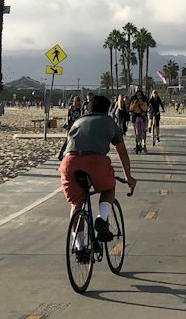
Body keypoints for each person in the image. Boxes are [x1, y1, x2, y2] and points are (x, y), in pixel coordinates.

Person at [59, 94, 137, 245]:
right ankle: (101, 219)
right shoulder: (109, 122)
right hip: (95, 161)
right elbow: (122, 153)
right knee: (108, 189)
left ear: (88, 108)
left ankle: (80, 247)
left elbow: (64, 151)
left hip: (69, 162)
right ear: (107, 110)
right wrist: (129, 177)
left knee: (76, 204)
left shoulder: (78, 122)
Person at [128, 87, 149, 152]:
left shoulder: (144, 99)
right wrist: (134, 103)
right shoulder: (133, 99)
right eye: (137, 95)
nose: (139, 96)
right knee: (136, 131)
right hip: (135, 116)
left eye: (140, 95)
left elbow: (145, 109)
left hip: (142, 116)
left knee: (143, 131)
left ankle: (144, 144)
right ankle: (137, 144)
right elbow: (130, 108)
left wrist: (141, 104)